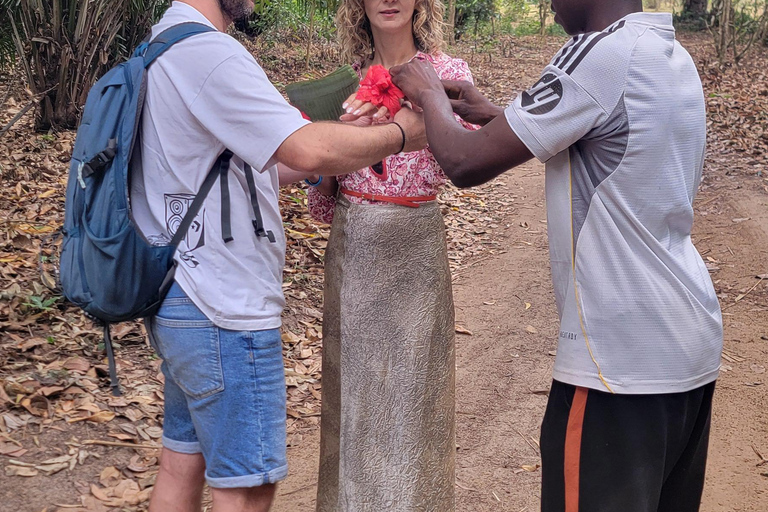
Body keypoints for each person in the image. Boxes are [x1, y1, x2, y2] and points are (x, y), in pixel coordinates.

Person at [391, 1, 723, 511]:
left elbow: (463, 161)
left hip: (618, 361)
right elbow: (606, 138)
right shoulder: (667, 53)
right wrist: (493, 112)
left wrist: (430, 92)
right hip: (686, 347)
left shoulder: (596, 53)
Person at [131, 1, 426, 511]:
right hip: (222, 306)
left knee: (181, 465)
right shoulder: (211, 55)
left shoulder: (159, 46)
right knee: (246, 487)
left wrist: (352, 137)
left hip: (179, 294)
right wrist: (403, 134)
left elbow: (262, 162)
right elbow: (307, 151)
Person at [290, 0, 476, 510]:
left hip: (415, 243)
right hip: (354, 246)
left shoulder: (447, 74)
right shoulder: (341, 84)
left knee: (415, 393)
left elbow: (464, 158)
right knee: (352, 394)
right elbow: (324, 196)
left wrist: (416, 119)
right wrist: (329, 152)